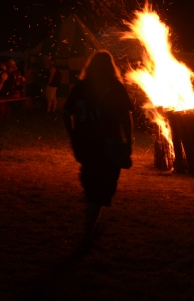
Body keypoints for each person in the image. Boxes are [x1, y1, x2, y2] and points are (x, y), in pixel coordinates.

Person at [62, 50, 134, 250]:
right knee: (101, 189)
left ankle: (91, 207)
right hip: (106, 145)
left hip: (85, 144)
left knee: (94, 183)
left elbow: (66, 114)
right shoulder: (114, 87)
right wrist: (128, 141)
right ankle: (88, 234)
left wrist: (73, 135)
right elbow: (126, 117)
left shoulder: (81, 87)